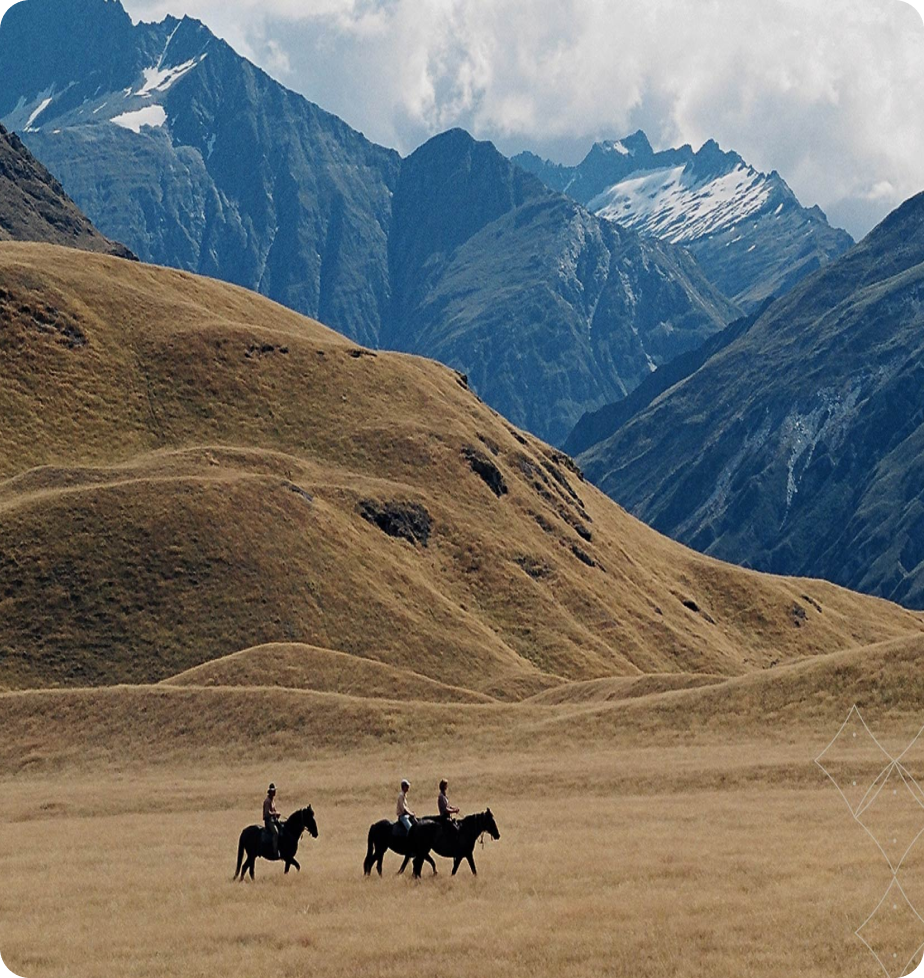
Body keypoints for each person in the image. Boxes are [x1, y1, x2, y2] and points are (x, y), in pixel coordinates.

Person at [263, 782, 281, 859]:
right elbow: (267, 813)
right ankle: (274, 851)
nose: (274, 792)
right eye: (273, 791)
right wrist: (275, 813)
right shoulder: (267, 801)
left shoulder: (272, 801)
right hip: (268, 821)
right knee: (275, 833)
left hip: (273, 820)